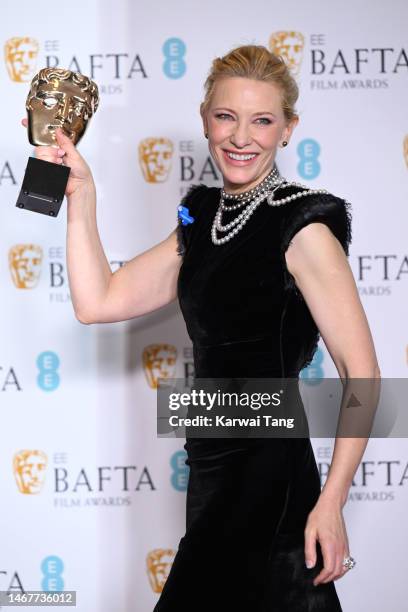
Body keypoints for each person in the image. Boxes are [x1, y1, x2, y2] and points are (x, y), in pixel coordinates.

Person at [26, 45, 380, 611]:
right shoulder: (201, 218)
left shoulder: (304, 224)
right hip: (212, 466)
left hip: (270, 476)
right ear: (205, 121)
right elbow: (98, 301)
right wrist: (82, 197)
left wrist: (332, 501)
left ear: (288, 129)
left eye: (262, 120)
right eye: (226, 117)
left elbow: (362, 374)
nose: (242, 137)